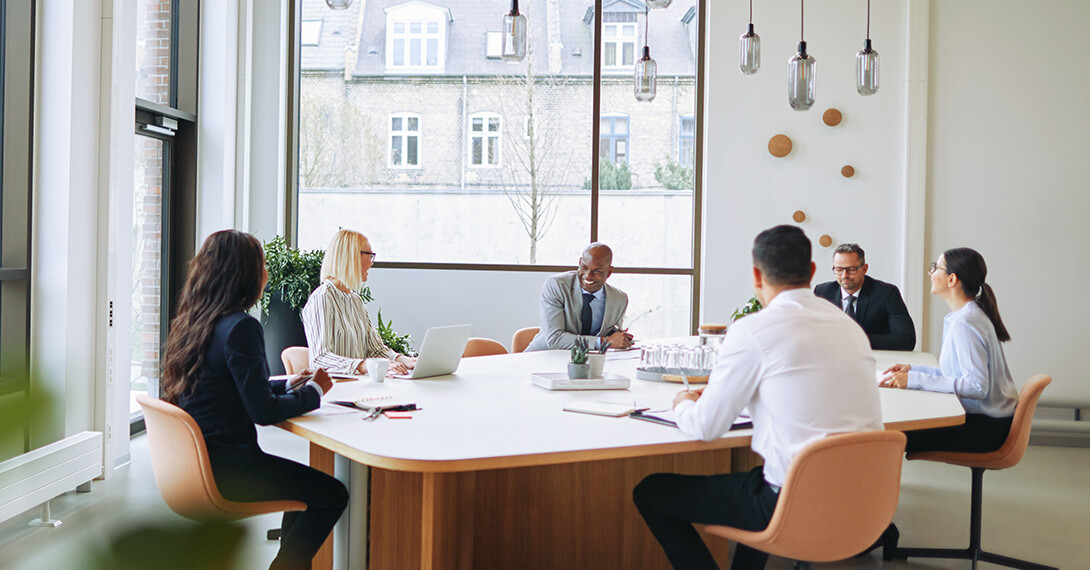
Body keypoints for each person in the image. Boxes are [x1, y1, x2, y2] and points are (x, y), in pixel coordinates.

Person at [633, 225, 883, 570]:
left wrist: (684, 402)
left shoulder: (753, 329)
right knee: (760, 474)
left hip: (790, 501)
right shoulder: (850, 328)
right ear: (811, 272)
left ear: (756, 274)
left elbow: (705, 427)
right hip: (865, 500)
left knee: (651, 492)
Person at [161, 230, 347, 570]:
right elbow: (263, 411)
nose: (267, 274)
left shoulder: (193, 323)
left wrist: (288, 383)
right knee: (333, 494)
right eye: (262, 265)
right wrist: (316, 390)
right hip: (230, 471)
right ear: (245, 274)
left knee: (303, 490)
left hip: (196, 466)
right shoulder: (241, 328)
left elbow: (231, 389)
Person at [880, 248, 1018, 453]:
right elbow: (956, 374)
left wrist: (915, 380)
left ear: (952, 279)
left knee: (887, 436)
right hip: (985, 421)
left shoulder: (966, 323)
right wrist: (913, 371)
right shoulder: (964, 316)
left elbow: (976, 386)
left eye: (935, 267)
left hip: (985, 428)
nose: (930, 273)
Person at [301, 229, 416, 376]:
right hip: (336, 389)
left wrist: (404, 360)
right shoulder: (323, 298)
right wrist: (363, 366)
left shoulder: (355, 300)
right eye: (370, 255)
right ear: (351, 257)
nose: (372, 263)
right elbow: (320, 359)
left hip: (359, 384)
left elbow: (375, 349)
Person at [524, 242, 633, 351]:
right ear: (580, 262)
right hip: (544, 357)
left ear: (609, 272)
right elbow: (555, 339)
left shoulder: (620, 299)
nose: (588, 275)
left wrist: (620, 337)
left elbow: (608, 332)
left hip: (589, 362)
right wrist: (605, 342)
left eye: (597, 271)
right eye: (584, 267)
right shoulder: (556, 286)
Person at [814, 243, 916, 350]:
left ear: (864, 269)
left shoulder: (887, 293)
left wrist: (855, 340)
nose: (845, 275)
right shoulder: (822, 293)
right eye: (839, 270)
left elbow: (906, 339)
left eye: (851, 269)